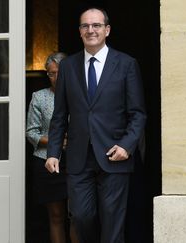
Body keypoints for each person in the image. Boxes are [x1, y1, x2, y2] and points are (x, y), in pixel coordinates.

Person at [45, 7, 146, 243]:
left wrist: (127, 146)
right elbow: (60, 115)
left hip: (115, 156)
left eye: (96, 25)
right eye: (85, 26)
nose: (91, 30)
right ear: (80, 32)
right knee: (81, 217)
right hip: (79, 158)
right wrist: (53, 152)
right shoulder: (68, 67)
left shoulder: (126, 64)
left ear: (107, 30)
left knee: (113, 223)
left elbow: (138, 113)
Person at [26, 52, 78, 243]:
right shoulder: (39, 97)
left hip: (76, 161)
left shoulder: (80, 96)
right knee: (56, 216)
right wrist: (56, 141)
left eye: (59, 72)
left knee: (77, 216)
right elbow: (31, 133)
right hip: (47, 162)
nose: (56, 77)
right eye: (51, 73)